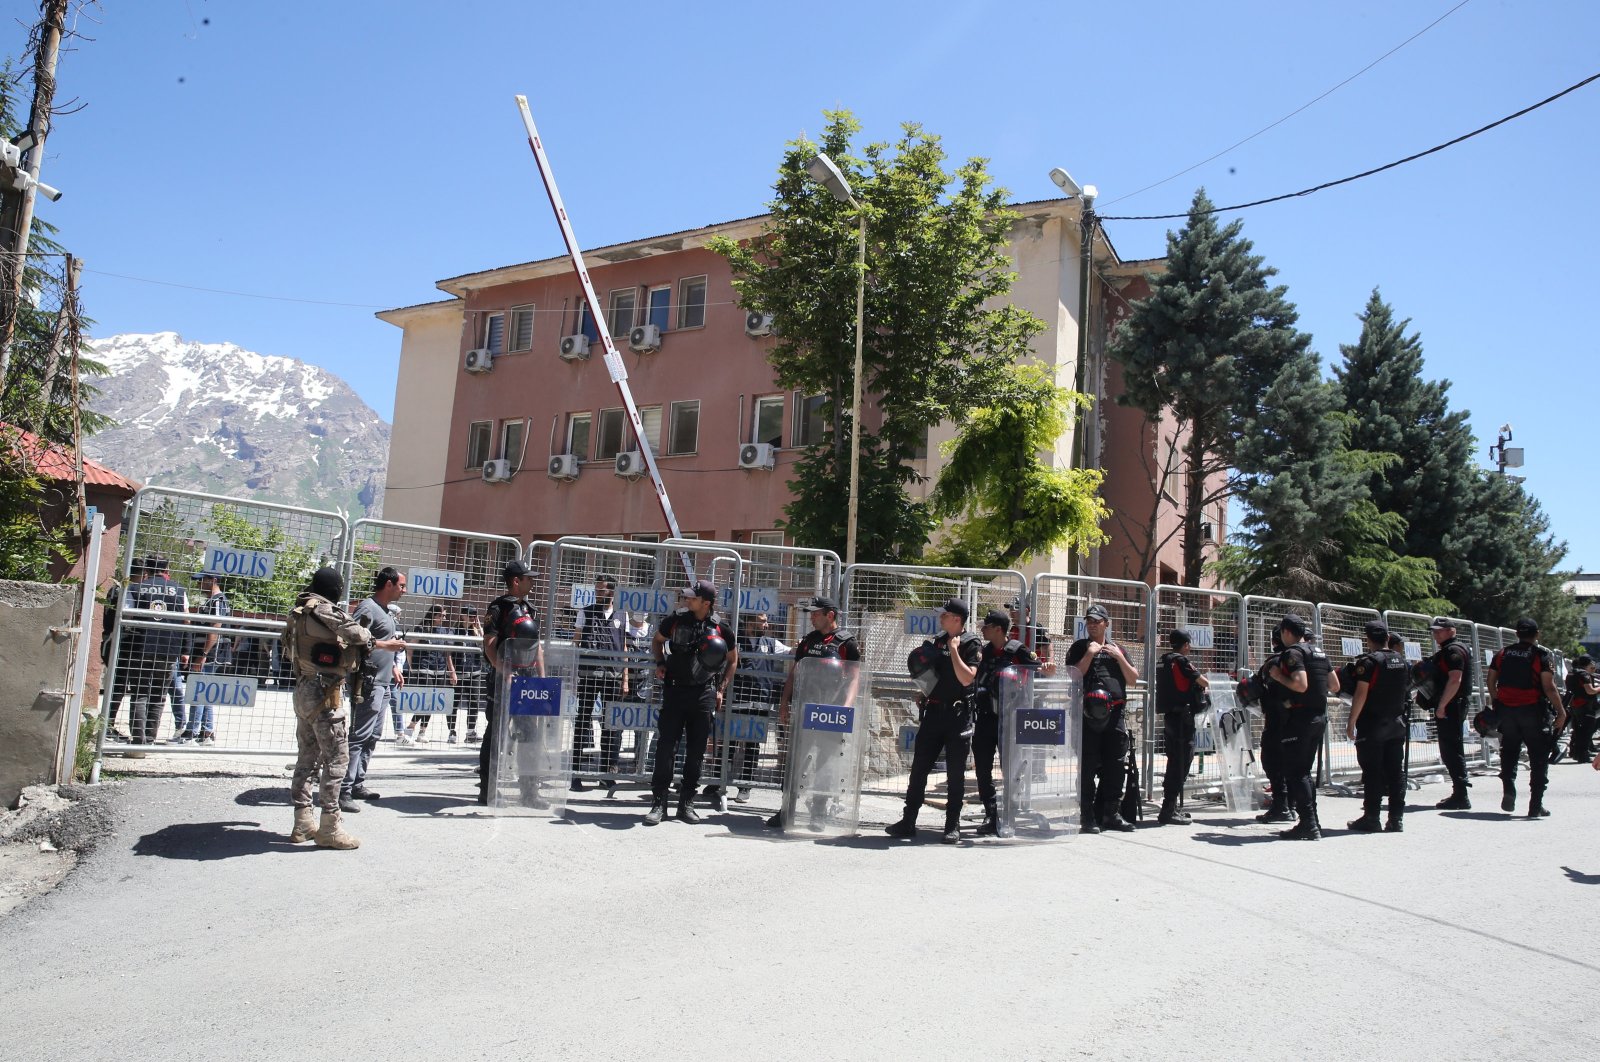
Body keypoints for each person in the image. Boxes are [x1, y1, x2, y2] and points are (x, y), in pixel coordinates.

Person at [283, 566, 405, 849]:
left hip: (303, 687)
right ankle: (329, 826)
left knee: (306, 758)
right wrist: (377, 641)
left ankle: (302, 822)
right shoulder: (323, 610)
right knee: (336, 760)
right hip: (325, 692)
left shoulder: (297, 612)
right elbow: (358, 635)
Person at [886, 599, 981, 844]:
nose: (940, 618)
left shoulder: (971, 643)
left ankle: (952, 825)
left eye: (945, 615)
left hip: (957, 717)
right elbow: (933, 675)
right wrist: (924, 691)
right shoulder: (939, 640)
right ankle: (908, 821)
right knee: (919, 769)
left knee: (956, 773)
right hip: (934, 713)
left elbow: (967, 678)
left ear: (957, 619)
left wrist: (954, 651)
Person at [645, 581, 737, 825]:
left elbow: (733, 659)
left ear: (706, 603)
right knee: (666, 749)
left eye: (692, 598)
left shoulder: (720, 628)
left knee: (696, 753)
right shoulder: (675, 620)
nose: (687, 601)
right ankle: (659, 803)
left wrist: (720, 689)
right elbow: (657, 641)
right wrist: (660, 663)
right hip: (675, 691)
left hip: (703, 695)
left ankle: (686, 803)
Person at [767, 597, 861, 830]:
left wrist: (846, 707)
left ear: (830, 615)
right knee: (796, 760)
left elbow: (855, 676)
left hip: (831, 712)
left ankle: (818, 812)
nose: (811, 617)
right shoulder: (808, 641)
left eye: (816, 613)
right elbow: (795, 673)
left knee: (826, 763)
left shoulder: (846, 642)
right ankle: (786, 809)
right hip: (806, 708)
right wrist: (784, 702)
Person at [1064, 604, 1140, 834]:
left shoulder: (1118, 649)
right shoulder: (1079, 647)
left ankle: (1111, 813)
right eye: (1089, 621)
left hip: (1114, 714)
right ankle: (1087, 817)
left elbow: (1133, 679)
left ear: (1106, 623)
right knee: (1087, 767)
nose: (1092, 624)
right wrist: (1090, 652)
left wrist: (1119, 658)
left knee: (1115, 766)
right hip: (1088, 715)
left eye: (1097, 621)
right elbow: (1074, 675)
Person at [338, 567, 406, 813]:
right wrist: (387, 645)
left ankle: (358, 782)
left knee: (372, 736)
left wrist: (393, 668)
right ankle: (343, 790)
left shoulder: (385, 611)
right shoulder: (368, 608)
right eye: (401, 585)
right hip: (367, 682)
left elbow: (376, 645)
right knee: (358, 736)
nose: (404, 590)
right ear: (388, 584)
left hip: (383, 682)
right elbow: (350, 638)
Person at [1265, 613, 1337, 840]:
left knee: (1297, 773)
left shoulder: (1293, 652)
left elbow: (1301, 684)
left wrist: (1278, 676)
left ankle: (1308, 824)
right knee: (1304, 772)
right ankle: (1312, 822)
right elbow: (1335, 685)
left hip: (1300, 719)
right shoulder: (1319, 652)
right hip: (1318, 718)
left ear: (1287, 632)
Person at [479, 559, 545, 806]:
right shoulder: (499, 608)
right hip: (504, 679)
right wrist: (502, 671)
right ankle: (489, 791)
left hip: (527, 681)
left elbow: (536, 646)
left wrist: (542, 676)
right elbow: (489, 645)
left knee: (530, 734)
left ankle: (529, 793)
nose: (532, 581)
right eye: (528, 578)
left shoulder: (530, 608)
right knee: (496, 733)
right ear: (516, 581)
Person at [972, 609, 1041, 837]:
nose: (983, 629)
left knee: (1010, 768)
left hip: (1010, 719)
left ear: (999, 629)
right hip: (986, 717)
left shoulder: (1017, 650)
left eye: (987, 626)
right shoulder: (985, 651)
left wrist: (1046, 671)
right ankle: (991, 813)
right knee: (982, 767)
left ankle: (1008, 814)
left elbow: (1036, 670)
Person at [1487, 617, 1566, 819]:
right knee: (1539, 758)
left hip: (1507, 711)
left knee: (1509, 752)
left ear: (1517, 634)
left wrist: (1498, 701)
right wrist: (1561, 711)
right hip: (1533, 711)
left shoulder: (1503, 653)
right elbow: (1548, 687)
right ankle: (1535, 805)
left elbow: (1490, 681)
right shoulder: (1540, 655)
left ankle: (1509, 789)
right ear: (1537, 634)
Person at [711, 611, 788, 808]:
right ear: (750, 622)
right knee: (728, 744)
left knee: (753, 747)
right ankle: (716, 783)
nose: (766, 625)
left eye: (766, 621)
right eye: (762, 621)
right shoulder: (735, 642)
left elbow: (790, 651)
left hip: (760, 703)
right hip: (736, 703)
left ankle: (745, 787)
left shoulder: (771, 643)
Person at [1345, 620, 1409, 834]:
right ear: (1388, 637)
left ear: (1369, 639)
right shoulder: (1401, 660)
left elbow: (1361, 693)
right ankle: (1396, 819)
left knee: (1372, 771)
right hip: (1396, 723)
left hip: (1373, 724)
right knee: (1395, 772)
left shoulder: (1369, 662)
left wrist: (1351, 720)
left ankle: (1372, 817)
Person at [123, 555, 190, 747]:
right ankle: (150, 738)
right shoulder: (179, 590)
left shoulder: (135, 588)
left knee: (139, 693)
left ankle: (138, 739)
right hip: (169, 648)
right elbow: (186, 621)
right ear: (167, 568)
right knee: (159, 695)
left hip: (141, 647)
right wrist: (185, 649)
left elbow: (127, 615)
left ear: (147, 570)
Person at [574, 574, 628, 794]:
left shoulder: (621, 615)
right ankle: (576, 772)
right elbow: (576, 640)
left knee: (610, 725)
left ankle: (608, 773)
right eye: (596, 589)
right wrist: (574, 673)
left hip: (612, 676)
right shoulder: (585, 612)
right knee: (583, 722)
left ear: (612, 592)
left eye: (602, 590)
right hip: (588, 675)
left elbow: (624, 647)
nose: (598, 593)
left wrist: (625, 678)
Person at [1155, 629, 1210, 826]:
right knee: (1181, 762)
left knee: (1175, 760)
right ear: (1185, 644)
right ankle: (1168, 809)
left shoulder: (1163, 660)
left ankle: (1170, 807)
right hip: (1182, 719)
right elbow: (1202, 681)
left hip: (1171, 717)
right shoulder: (1181, 661)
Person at [1426, 617, 1474, 810]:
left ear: (1451, 630)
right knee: (1450, 748)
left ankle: (1461, 794)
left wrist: (1442, 705)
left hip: (1452, 705)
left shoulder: (1453, 651)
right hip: (1452, 704)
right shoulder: (1452, 649)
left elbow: (1455, 680)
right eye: (1434, 631)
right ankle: (1459, 792)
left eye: (1440, 630)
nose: (1436, 634)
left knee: (1451, 749)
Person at [178, 572, 232, 744]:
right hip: (209, 653)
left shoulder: (217, 601)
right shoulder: (213, 601)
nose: (198, 584)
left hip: (211, 654)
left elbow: (214, 630)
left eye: (202, 581)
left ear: (213, 581)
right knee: (205, 692)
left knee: (198, 691)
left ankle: (191, 733)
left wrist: (203, 656)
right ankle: (206, 732)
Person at [1255, 629, 1294, 824]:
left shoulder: (1274, 662)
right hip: (1298, 720)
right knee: (1294, 764)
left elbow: (1258, 687)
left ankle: (1281, 806)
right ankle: (1291, 805)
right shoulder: (1300, 658)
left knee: (1272, 761)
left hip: (1277, 719)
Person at [405, 603, 459, 743]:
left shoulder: (444, 631)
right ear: (433, 615)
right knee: (427, 698)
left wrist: (451, 670)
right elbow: (410, 649)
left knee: (433, 700)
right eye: (440, 615)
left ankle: (420, 730)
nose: (443, 618)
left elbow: (447, 654)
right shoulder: (421, 628)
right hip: (423, 667)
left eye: (444, 616)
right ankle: (412, 727)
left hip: (439, 668)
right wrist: (412, 668)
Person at [454, 606, 486, 743]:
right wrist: (452, 671)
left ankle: (471, 732)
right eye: (470, 615)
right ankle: (452, 732)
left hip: (474, 671)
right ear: (463, 616)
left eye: (475, 616)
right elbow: (448, 652)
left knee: (474, 701)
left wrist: (479, 628)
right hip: (459, 671)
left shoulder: (475, 631)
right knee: (454, 702)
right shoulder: (455, 631)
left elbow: (484, 644)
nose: (473, 618)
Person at [1563, 655, 1599, 763]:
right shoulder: (1583, 673)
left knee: (1578, 731)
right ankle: (1583, 756)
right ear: (1587, 664)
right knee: (1586, 732)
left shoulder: (1572, 672)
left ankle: (1576, 753)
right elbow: (1590, 691)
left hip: (1575, 705)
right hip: (1585, 705)